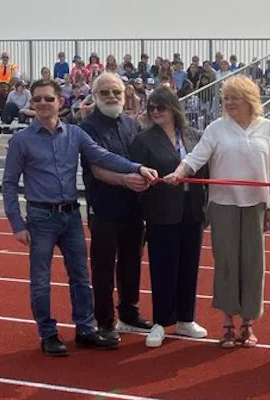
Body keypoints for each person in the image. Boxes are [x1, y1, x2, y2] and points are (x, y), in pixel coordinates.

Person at [1, 79, 157, 356]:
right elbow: (9, 184)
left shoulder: (75, 134)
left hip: (71, 216)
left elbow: (103, 156)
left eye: (49, 98)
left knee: (81, 278)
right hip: (40, 218)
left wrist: (137, 167)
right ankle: (48, 334)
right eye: (37, 99)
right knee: (41, 280)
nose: (43, 103)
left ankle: (85, 329)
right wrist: (16, 224)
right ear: (32, 103)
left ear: (60, 102)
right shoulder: (21, 141)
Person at [165, 75, 270, 349]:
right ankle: (228, 324)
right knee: (227, 263)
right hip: (223, 205)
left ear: (249, 99)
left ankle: (248, 324)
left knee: (253, 265)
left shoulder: (269, 129)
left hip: (256, 205)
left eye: (234, 98)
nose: (228, 103)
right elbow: (196, 157)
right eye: (225, 98)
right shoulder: (216, 128)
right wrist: (180, 172)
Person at [128, 88, 209, 348]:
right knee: (163, 267)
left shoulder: (194, 136)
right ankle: (161, 321)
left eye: (160, 107)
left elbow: (205, 171)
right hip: (161, 212)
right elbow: (137, 177)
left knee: (189, 265)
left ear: (173, 108)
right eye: (151, 107)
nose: (155, 112)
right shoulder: (143, 140)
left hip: (192, 210)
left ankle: (186, 318)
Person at [80, 72, 153, 340]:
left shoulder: (131, 125)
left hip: (133, 207)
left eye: (116, 92)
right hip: (104, 209)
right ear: (95, 96)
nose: (111, 96)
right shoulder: (87, 127)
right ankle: (105, 321)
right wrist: (124, 179)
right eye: (105, 92)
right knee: (103, 267)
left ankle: (129, 313)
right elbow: (97, 168)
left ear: (125, 95)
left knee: (131, 262)